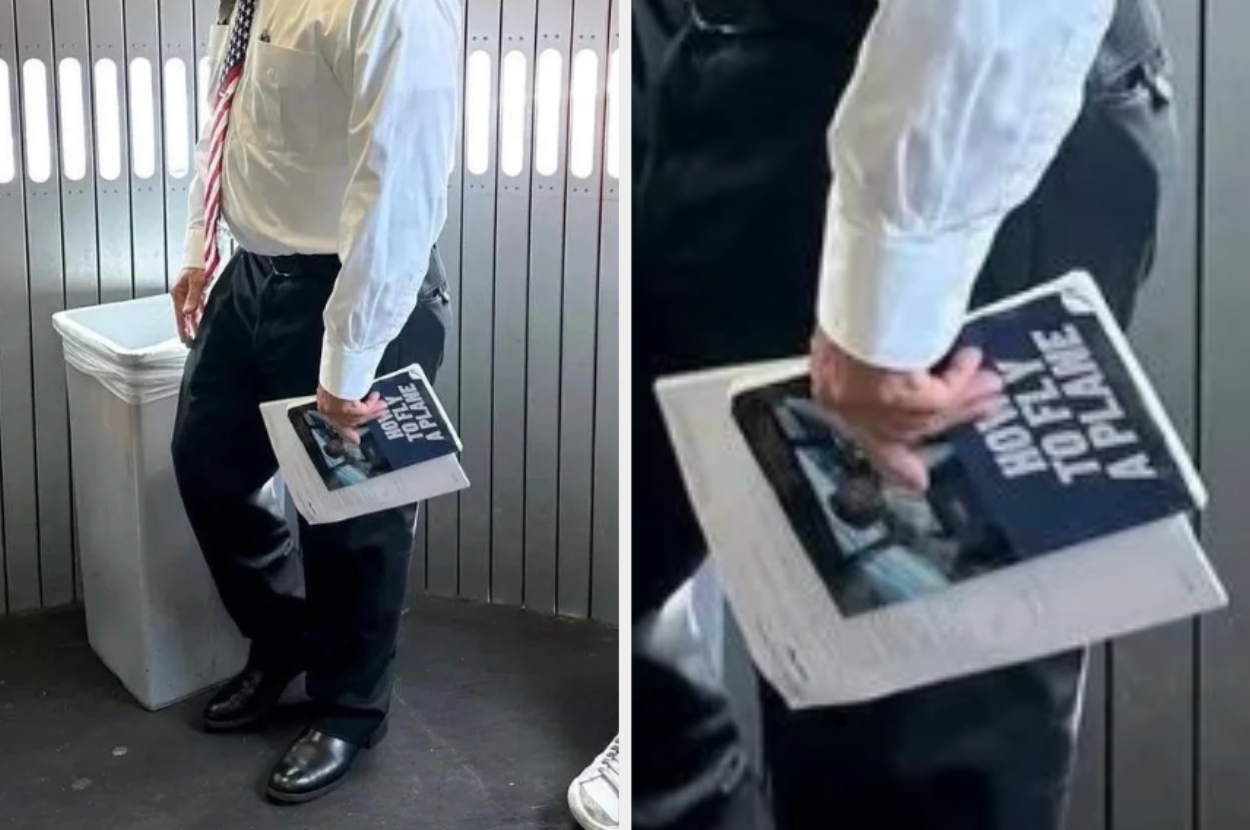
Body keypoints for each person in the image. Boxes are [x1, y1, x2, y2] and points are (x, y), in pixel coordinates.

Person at [635, 0, 1176, 828]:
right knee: (645, 633)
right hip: (709, 69)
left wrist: (894, 287)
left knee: (909, 740)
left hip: (942, 112)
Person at [168, 0, 459, 804]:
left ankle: (350, 709)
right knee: (208, 465)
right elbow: (230, 115)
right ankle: (285, 639)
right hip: (253, 275)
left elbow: (403, 175)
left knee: (357, 518)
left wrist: (353, 352)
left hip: (360, 287)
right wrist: (202, 246)